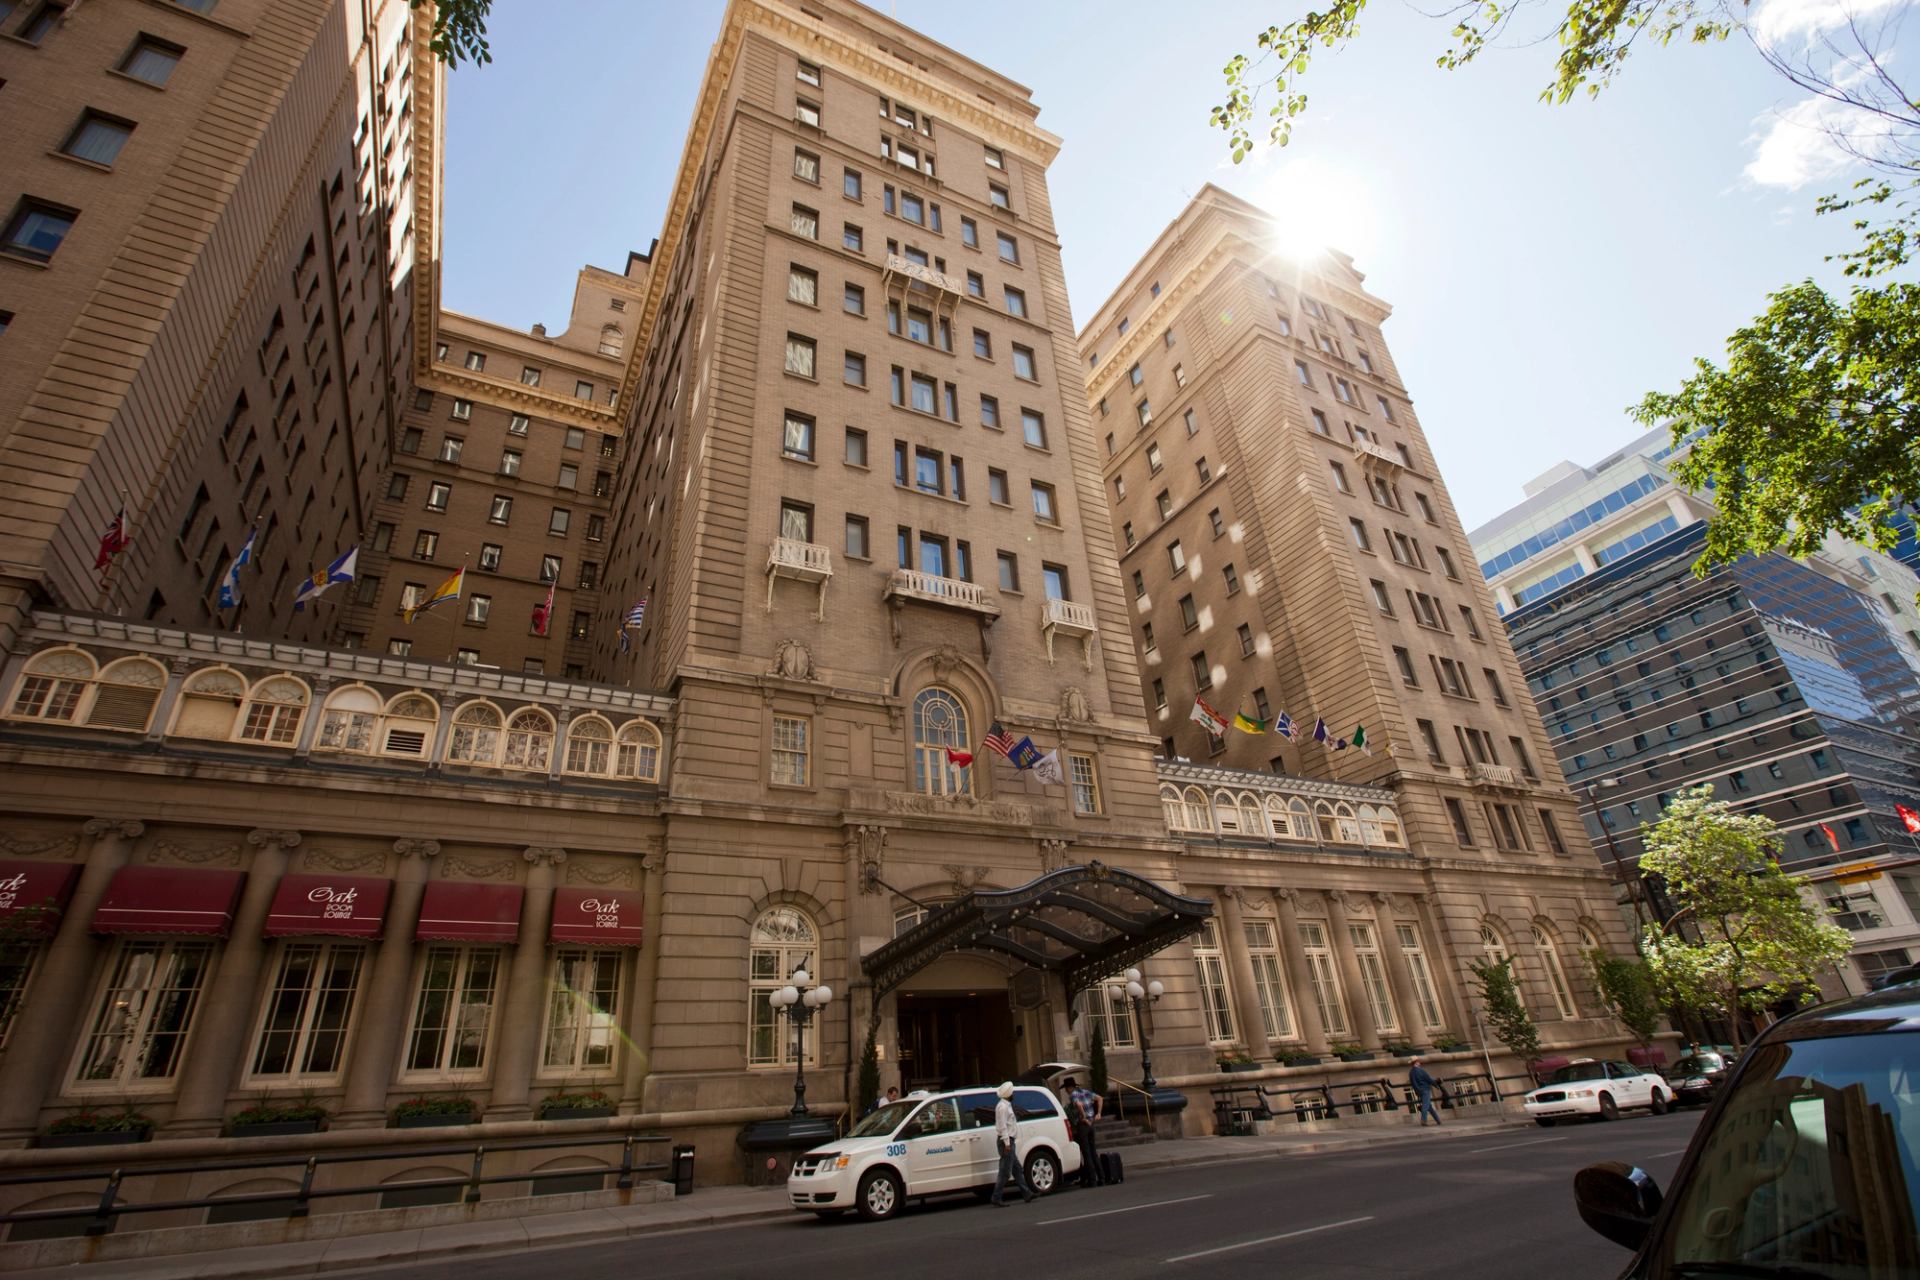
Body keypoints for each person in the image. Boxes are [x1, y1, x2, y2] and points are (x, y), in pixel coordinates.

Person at [990, 1081, 1036, 1206]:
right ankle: (996, 1197)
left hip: (1009, 1140)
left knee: (1016, 1168)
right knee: (1005, 1171)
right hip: (1007, 1141)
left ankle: (1027, 1193)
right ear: (1009, 1094)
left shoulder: (1006, 1105)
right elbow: (1003, 1126)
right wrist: (1007, 1143)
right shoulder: (1003, 1107)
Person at [1062, 1075, 1102, 1186]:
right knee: (1093, 1151)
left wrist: (1083, 1116)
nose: (1066, 1091)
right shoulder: (1086, 1092)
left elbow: (1079, 1104)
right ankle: (1102, 1178)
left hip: (1083, 1125)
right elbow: (1100, 1098)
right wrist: (1098, 1113)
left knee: (1086, 1153)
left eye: (1066, 1088)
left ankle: (1092, 1180)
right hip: (1091, 1124)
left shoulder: (1073, 1095)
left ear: (1069, 1088)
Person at [1408, 1057, 1442, 1126]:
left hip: (1419, 1091)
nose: (1420, 1062)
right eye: (1418, 1061)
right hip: (1425, 1089)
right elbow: (1428, 1079)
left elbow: (1413, 1083)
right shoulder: (1421, 1070)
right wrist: (1436, 1085)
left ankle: (1438, 1120)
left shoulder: (1411, 1072)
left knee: (1429, 1106)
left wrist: (1417, 1091)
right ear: (1416, 1062)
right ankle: (1424, 1120)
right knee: (1426, 1106)